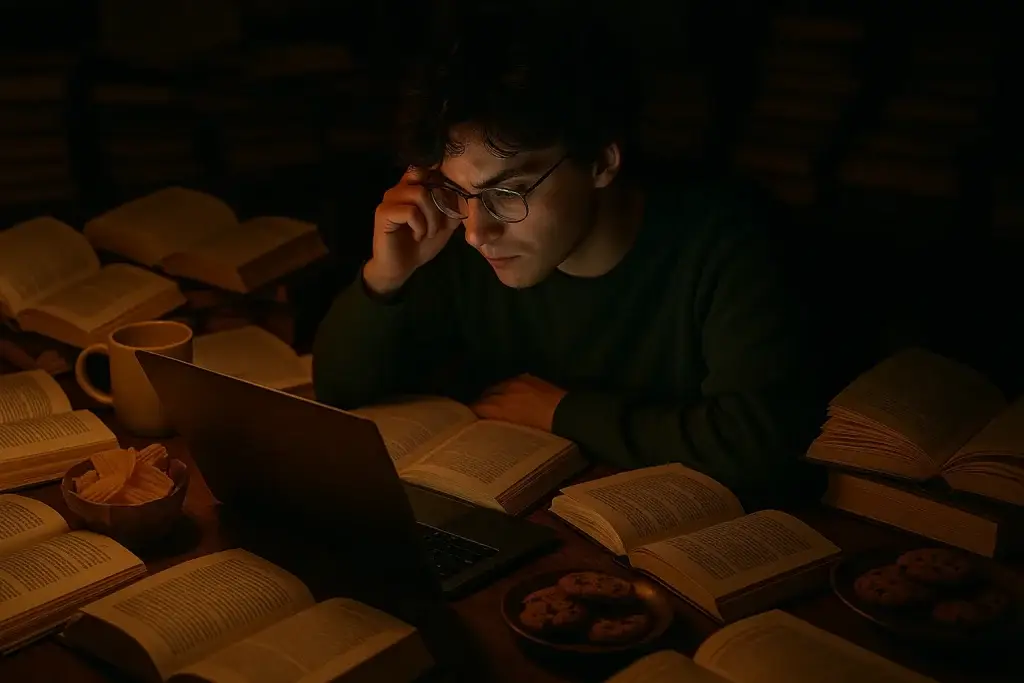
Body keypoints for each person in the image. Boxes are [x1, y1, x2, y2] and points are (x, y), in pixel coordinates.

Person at [313, 2, 825, 506]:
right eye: (459, 191)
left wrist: (562, 413)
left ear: (602, 162)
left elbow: (761, 445)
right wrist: (385, 277)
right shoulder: (458, 232)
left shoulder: (726, 240)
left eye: (510, 192)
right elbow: (338, 390)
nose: (477, 230)